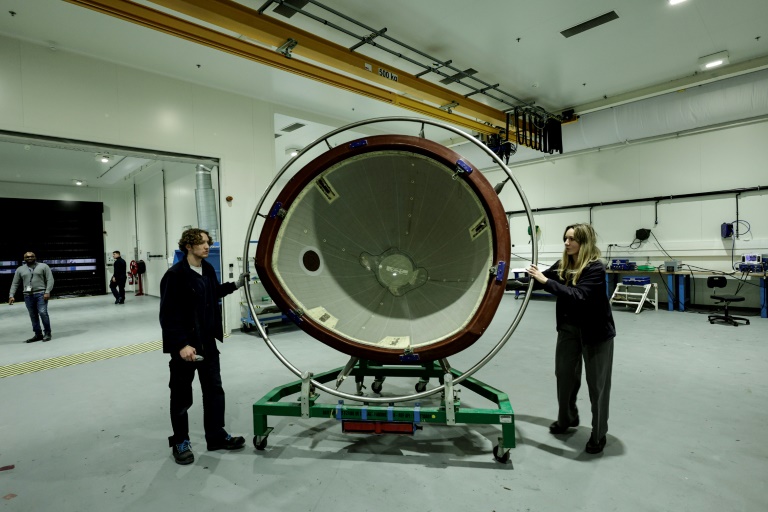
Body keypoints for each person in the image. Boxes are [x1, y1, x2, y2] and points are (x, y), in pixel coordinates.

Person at [515, 223, 615, 454]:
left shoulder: (595, 269)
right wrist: (502, 281)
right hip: (569, 329)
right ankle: (567, 418)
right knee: (564, 375)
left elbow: (578, 296)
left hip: (595, 333)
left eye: (572, 239)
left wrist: (545, 280)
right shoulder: (564, 264)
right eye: (565, 239)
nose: (567, 243)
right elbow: (540, 279)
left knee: (597, 385)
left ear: (584, 242)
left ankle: (599, 433)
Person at [159, 228, 248, 465]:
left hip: (207, 344)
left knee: (214, 391)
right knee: (181, 398)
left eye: (208, 242)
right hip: (186, 348)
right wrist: (181, 345)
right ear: (188, 246)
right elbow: (167, 315)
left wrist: (236, 284)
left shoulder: (207, 269)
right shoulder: (175, 275)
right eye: (202, 243)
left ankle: (216, 436)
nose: (207, 246)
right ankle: (180, 442)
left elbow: (213, 292)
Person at [8, 252, 55, 343]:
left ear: (35, 257)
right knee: (33, 315)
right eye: (27, 257)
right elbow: (15, 283)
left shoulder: (43, 266)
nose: (30, 258)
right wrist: (11, 295)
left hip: (41, 293)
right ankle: (38, 334)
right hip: (28, 295)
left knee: (42, 312)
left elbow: (50, 279)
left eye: (31, 256)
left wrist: (47, 291)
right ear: (24, 258)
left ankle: (48, 333)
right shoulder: (20, 269)